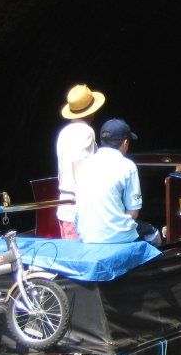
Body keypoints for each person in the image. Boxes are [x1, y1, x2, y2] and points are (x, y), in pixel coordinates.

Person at [74, 118, 162, 247]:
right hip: (116, 236)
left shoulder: (84, 164)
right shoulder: (128, 166)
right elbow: (133, 213)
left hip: (86, 234)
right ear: (125, 142)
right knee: (155, 235)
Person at [56, 84, 106, 240]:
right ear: (91, 112)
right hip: (79, 210)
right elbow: (81, 169)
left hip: (64, 207)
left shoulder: (64, 133)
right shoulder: (86, 132)